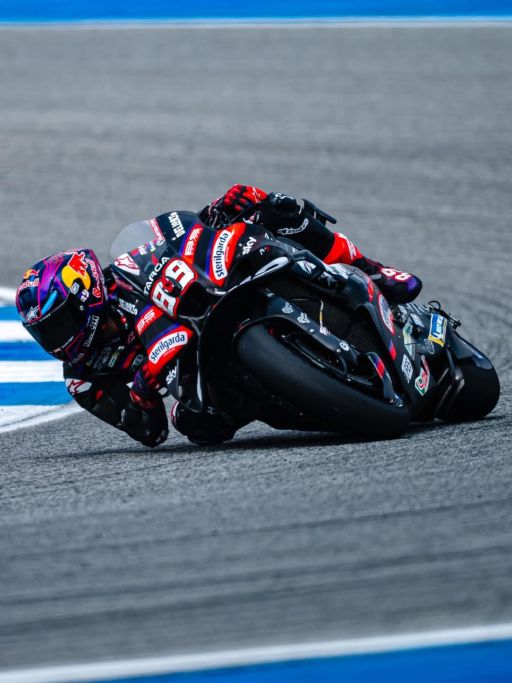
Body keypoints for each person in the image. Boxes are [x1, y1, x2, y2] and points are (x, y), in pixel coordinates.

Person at [16, 185, 422, 447]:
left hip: (212, 296)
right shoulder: (82, 377)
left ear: (85, 293)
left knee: (269, 210)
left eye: (59, 323)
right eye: (44, 333)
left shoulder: (126, 270)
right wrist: (141, 392)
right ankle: (315, 401)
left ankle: (369, 269)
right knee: (197, 426)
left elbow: (180, 235)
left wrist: (221, 210)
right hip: (198, 373)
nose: (56, 340)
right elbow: (148, 431)